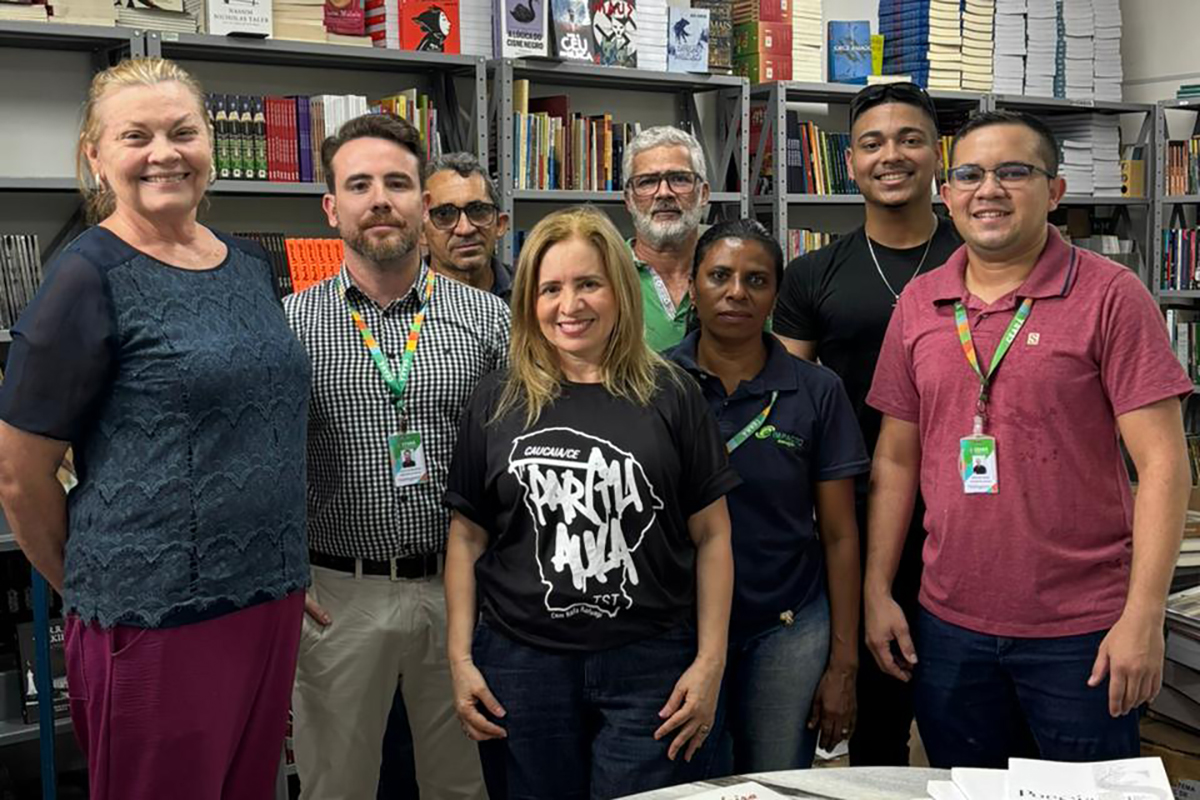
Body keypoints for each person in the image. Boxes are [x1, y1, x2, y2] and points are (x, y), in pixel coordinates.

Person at [0, 58, 309, 799]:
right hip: (153, 618)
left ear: (210, 144)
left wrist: (279, 557)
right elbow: (19, 476)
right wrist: (94, 587)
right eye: (135, 136)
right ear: (95, 156)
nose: (164, 152)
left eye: (183, 131)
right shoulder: (85, 276)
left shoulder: (250, 266)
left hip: (267, 600)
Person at [865, 110, 1192, 768]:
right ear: (947, 192)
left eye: (1014, 172)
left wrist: (1144, 616)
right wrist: (876, 590)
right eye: (971, 174)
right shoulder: (919, 304)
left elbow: (1163, 466)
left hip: (1082, 633)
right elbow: (896, 461)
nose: (989, 189)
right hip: (951, 624)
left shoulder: (1111, 297)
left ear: (1055, 191)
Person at [444, 205, 739, 799]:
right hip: (521, 665)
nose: (569, 305)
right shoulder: (497, 399)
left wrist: (710, 663)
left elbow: (713, 536)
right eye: (550, 288)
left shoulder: (673, 393)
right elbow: (467, 536)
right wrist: (460, 657)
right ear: (529, 299)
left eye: (587, 284)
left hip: (651, 663)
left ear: (619, 291)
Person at [285, 113, 509, 800]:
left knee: (464, 786)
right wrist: (283, 576)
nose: (379, 198)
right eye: (359, 184)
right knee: (337, 786)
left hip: (465, 591)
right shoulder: (287, 324)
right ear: (332, 208)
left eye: (396, 183)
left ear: (423, 203)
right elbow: (262, 464)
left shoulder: (490, 319)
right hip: (337, 595)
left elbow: (521, 458)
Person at [772, 81, 961, 766]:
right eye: (873, 143)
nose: (892, 156)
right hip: (853, 516)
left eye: (910, 139)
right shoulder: (813, 273)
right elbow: (788, 407)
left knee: (965, 707)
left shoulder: (981, 258)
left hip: (965, 513)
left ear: (936, 155)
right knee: (879, 712)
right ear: (849, 162)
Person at [666, 220, 867, 771]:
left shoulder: (816, 390)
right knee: (689, 779)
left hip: (787, 626)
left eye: (756, 280)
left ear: (776, 295)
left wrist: (843, 663)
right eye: (720, 276)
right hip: (678, 628)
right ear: (693, 285)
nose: (737, 292)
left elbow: (840, 533)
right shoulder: (657, 385)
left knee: (776, 780)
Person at [623, 126, 712, 351]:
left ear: (703, 194)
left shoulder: (733, 275)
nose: (664, 192)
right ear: (628, 199)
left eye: (679, 179)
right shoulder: (605, 272)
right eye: (647, 182)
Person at [424, 152, 513, 302]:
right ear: (421, 232)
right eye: (445, 214)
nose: (465, 229)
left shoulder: (532, 291)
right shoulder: (398, 300)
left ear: (500, 224)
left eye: (478, 210)